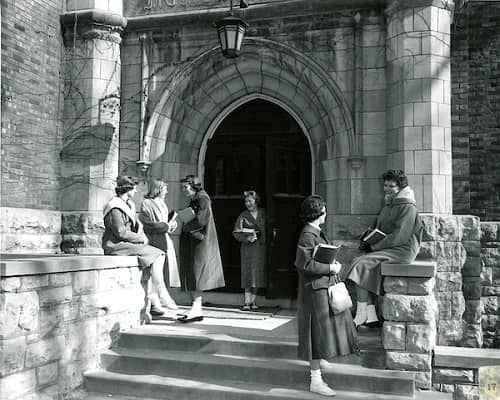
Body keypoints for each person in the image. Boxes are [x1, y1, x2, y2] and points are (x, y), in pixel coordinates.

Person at [295, 195, 358, 397]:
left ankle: (319, 360)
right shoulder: (308, 234)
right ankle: (315, 379)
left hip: (319, 288)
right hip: (314, 290)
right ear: (318, 212)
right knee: (316, 333)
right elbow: (304, 264)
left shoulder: (314, 232)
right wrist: (330, 267)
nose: (326, 213)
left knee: (321, 331)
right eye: (324, 209)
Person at [343, 169, 424, 328]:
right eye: (385, 185)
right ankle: (371, 315)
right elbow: (380, 226)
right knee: (359, 260)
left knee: (363, 264)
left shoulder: (407, 206)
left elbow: (400, 236)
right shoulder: (391, 203)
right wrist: (368, 238)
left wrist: (374, 245)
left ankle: (361, 314)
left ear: (401, 188)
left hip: (403, 250)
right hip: (391, 247)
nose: (387, 189)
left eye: (391, 186)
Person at [102, 175, 177, 322]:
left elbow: (136, 225)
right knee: (157, 254)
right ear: (127, 189)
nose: (136, 190)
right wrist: (141, 238)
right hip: (115, 245)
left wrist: (140, 231)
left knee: (157, 255)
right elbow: (120, 232)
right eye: (134, 187)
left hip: (127, 244)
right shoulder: (114, 206)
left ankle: (156, 299)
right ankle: (161, 294)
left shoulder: (128, 204)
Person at [177, 175, 225, 323]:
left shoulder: (202, 198)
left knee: (196, 274)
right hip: (195, 241)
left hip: (199, 243)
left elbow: (201, 220)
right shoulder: (196, 198)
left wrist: (185, 226)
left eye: (185, 187)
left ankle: (196, 308)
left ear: (194, 186)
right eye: (183, 187)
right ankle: (196, 309)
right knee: (193, 274)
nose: (183, 190)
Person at [139, 178, 181, 311]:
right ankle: (165, 298)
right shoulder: (146, 203)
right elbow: (147, 224)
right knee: (156, 271)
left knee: (159, 271)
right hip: (153, 240)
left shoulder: (162, 203)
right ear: (158, 189)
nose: (167, 191)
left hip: (163, 239)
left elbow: (165, 223)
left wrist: (171, 225)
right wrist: (165, 225)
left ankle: (155, 303)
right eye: (164, 189)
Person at [233, 190, 266, 311]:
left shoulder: (264, 213)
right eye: (246, 201)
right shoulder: (243, 216)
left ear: (256, 201)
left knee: (258, 275)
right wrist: (246, 239)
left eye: (250, 201)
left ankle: (253, 300)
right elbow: (236, 233)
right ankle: (247, 302)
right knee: (248, 275)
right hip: (248, 249)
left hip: (261, 249)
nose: (248, 203)